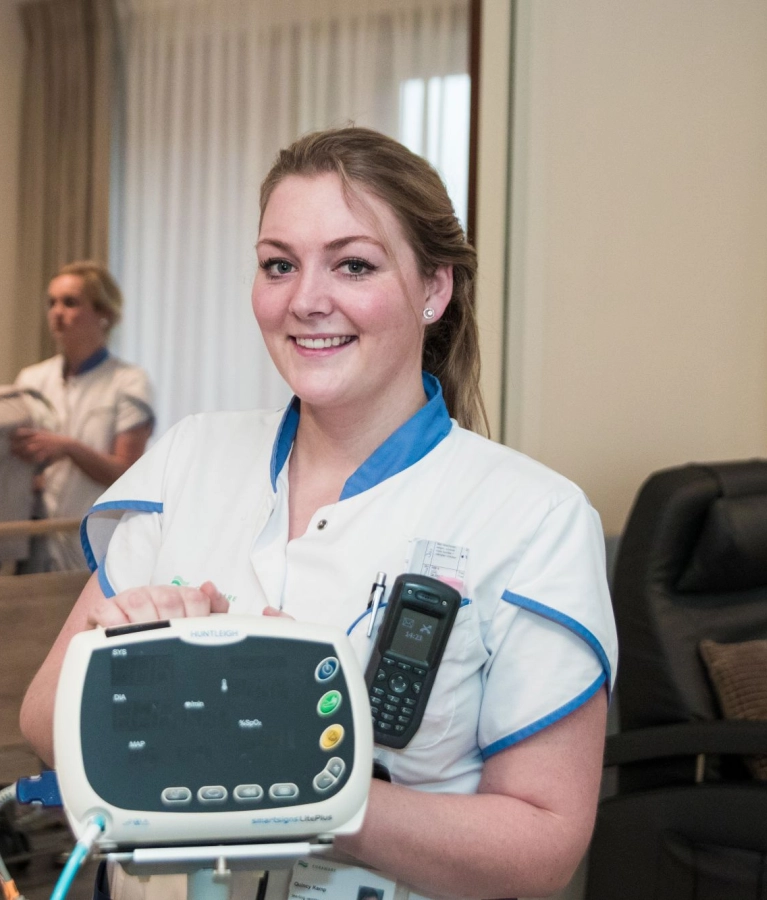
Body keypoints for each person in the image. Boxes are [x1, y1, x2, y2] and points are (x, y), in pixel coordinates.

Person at [20, 128, 617, 900]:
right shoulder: (190, 458)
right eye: (279, 264)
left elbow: (541, 846)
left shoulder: (531, 518)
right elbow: (42, 714)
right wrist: (140, 677)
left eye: (354, 264)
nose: (305, 300)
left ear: (434, 289)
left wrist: (295, 776)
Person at [11, 261, 154, 570]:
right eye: (52, 303)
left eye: (70, 302)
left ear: (104, 314)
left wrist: (68, 448)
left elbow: (127, 474)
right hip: (34, 541)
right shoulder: (31, 379)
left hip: (96, 544)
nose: (57, 312)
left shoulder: (128, 382)